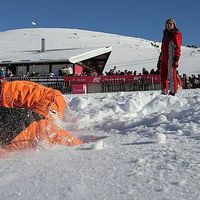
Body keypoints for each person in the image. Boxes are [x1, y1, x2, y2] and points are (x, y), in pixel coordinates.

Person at [0, 80, 82, 153]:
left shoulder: (6, 93)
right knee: (43, 129)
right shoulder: (7, 88)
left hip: (48, 100)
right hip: (51, 99)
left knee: (44, 131)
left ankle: (79, 146)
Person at [157, 18, 182, 96]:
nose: (169, 25)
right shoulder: (165, 34)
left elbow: (178, 47)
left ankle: (172, 92)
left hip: (171, 57)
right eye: (167, 24)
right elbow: (163, 49)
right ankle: (164, 91)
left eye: (171, 24)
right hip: (164, 57)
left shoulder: (175, 34)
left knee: (171, 75)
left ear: (174, 25)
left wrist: (176, 59)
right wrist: (160, 59)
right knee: (163, 75)